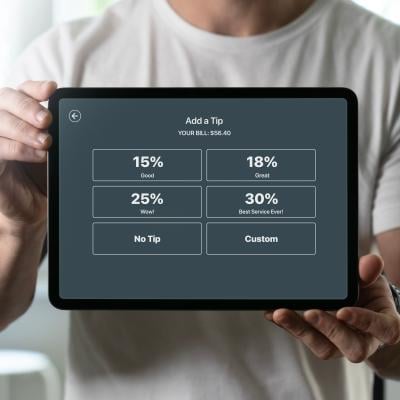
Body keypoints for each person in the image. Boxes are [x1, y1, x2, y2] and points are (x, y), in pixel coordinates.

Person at [0, 0, 399, 398]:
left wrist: (386, 339)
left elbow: (393, 330)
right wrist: (21, 227)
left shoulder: (387, 59)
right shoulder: (61, 59)